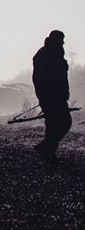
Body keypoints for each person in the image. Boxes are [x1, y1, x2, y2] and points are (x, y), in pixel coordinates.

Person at [32, 30, 71, 163]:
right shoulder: (43, 55)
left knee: (65, 123)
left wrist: (65, 92)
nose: (63, 42)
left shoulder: (58, 54)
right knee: (55, 124)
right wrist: (43, 96)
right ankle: (48, 153)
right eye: (61, 39)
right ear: (55, 39)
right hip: (49, 97)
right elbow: (38, 78)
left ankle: (46, 149)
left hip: (60, 96)